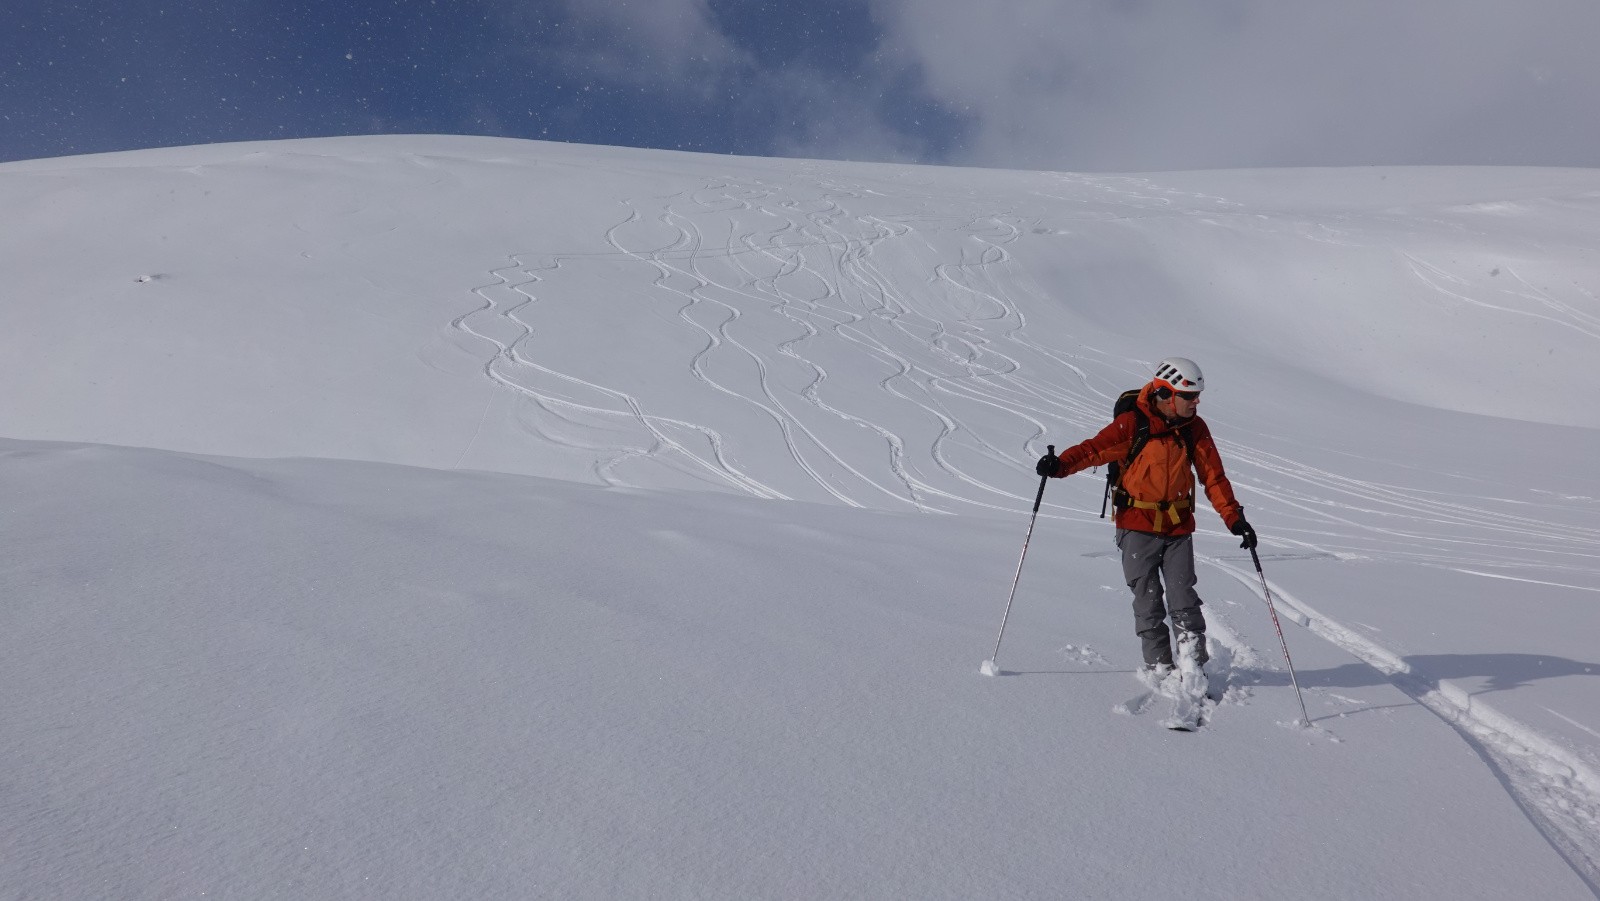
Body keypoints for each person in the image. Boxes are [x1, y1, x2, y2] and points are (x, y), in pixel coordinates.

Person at [1036, 357, 1256, 672]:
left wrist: (1235, 519)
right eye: (1190, 396)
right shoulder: (1132, 423)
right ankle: (1159, 668)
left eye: (1197, 396)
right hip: (1136, 528)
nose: (1196, 402)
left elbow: (1214, 477)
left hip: (1178, 527)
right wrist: (1059, 466)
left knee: (1184, 598)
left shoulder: (1195, 428)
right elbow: (1093, 450)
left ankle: (1195, 669)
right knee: (1148, 602)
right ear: (1166, 394)